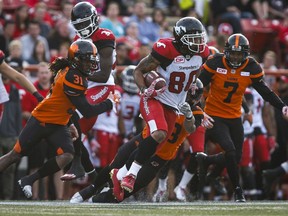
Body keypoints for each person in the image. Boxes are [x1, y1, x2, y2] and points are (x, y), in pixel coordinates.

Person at [0, 39, 118, 199]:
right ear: (77, 60)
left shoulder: (74, 73)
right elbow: (87, 110)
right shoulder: (72, 77)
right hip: (41, 120)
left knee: (67, 155)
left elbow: (65, 104)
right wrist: (109, 103)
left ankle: (28, 180)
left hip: (59, 123)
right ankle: (29, 179)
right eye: (88, 60)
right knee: (14, 155)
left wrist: (70, 122)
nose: (91, 64)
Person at [111, 17, 209, 200]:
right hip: (155, 98)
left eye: (199, 38)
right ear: (181, 37)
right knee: (159, 133)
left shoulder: (203, 54)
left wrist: (192, 86)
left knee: (156, 144)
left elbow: (192, 75)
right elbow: (138, 70)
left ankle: (119, 174)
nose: (198, 43)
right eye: (193, 38)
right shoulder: (166, 49)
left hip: (174, 105)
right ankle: (130, 175)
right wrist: (144, 90)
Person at [69, 81, 204, 203]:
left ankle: (95, 201)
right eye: (188, 94)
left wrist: (188, 115)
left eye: (193, 96)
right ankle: (89, 190)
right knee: (113, 167)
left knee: (128, 190)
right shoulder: (167, 100)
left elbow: (190, 128)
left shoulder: (196, 112)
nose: (189, 98)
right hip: (145, 141)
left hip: (161, 156)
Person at [197, 33, 288, 202]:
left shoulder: (251, 67)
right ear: (226, 52)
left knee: (236, 157)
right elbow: (197, 87)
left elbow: (266, 93)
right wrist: (198, 111)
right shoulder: (215, 62)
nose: (237, 57)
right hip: (215, 114)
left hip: (234, 116)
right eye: (234, 53)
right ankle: (238, 191)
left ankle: (209, 165)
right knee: (230, 151)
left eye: (240, 54)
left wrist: (282, 106)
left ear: (246, 54)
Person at [60, 1, 117, 181]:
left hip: (103, 85)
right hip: (85, 84)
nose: (83, 29)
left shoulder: (105, 37)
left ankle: (79, 165)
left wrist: (77, 73)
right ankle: (91, 174)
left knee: (79, 117)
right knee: (68, 122)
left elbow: (103, 74)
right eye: (79, 26)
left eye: (85, 24)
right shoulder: (78, 40)